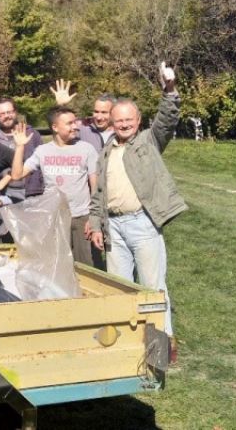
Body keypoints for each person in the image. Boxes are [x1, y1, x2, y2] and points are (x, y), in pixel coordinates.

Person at [88, 62, 187, 353]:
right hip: (113, 228)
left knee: (152, 286)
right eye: (118, 121)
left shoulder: (149, 140)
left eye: (129, 119)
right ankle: (127, 344)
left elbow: (167, 119)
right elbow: (99, 194)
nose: (123, 124)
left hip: (143, 223)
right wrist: (96, 224)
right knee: (120, 288)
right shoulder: (106, 150)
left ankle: (162, 345)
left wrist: (169, 90)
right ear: (112, 123)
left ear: (139, 119)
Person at [10, 107, 100, 268]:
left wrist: (94, 217)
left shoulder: (86, 149)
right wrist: (19, 147)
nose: (75, 126)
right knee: (59, 266)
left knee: (88, 266)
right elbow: (16, 175)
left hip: (82, 217)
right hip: (55, 218)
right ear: (55, 127)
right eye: (69, 123)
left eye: (75, 122)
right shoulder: (42, 151)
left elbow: (96, 186)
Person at [0, 97, 44, 202]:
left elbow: (44, 161)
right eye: (2, 114)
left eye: (9, 112)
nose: (7, 116)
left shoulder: (32, 134)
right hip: (8, 194)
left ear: (16, 112)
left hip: (35, 192)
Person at [51, 79, 115, 153]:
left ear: (113, 113)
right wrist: (60, 105)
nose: (99, 117)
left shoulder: (121, 132)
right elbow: (58, 129)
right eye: (96, 112)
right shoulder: (81, 130)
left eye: (104, 112)